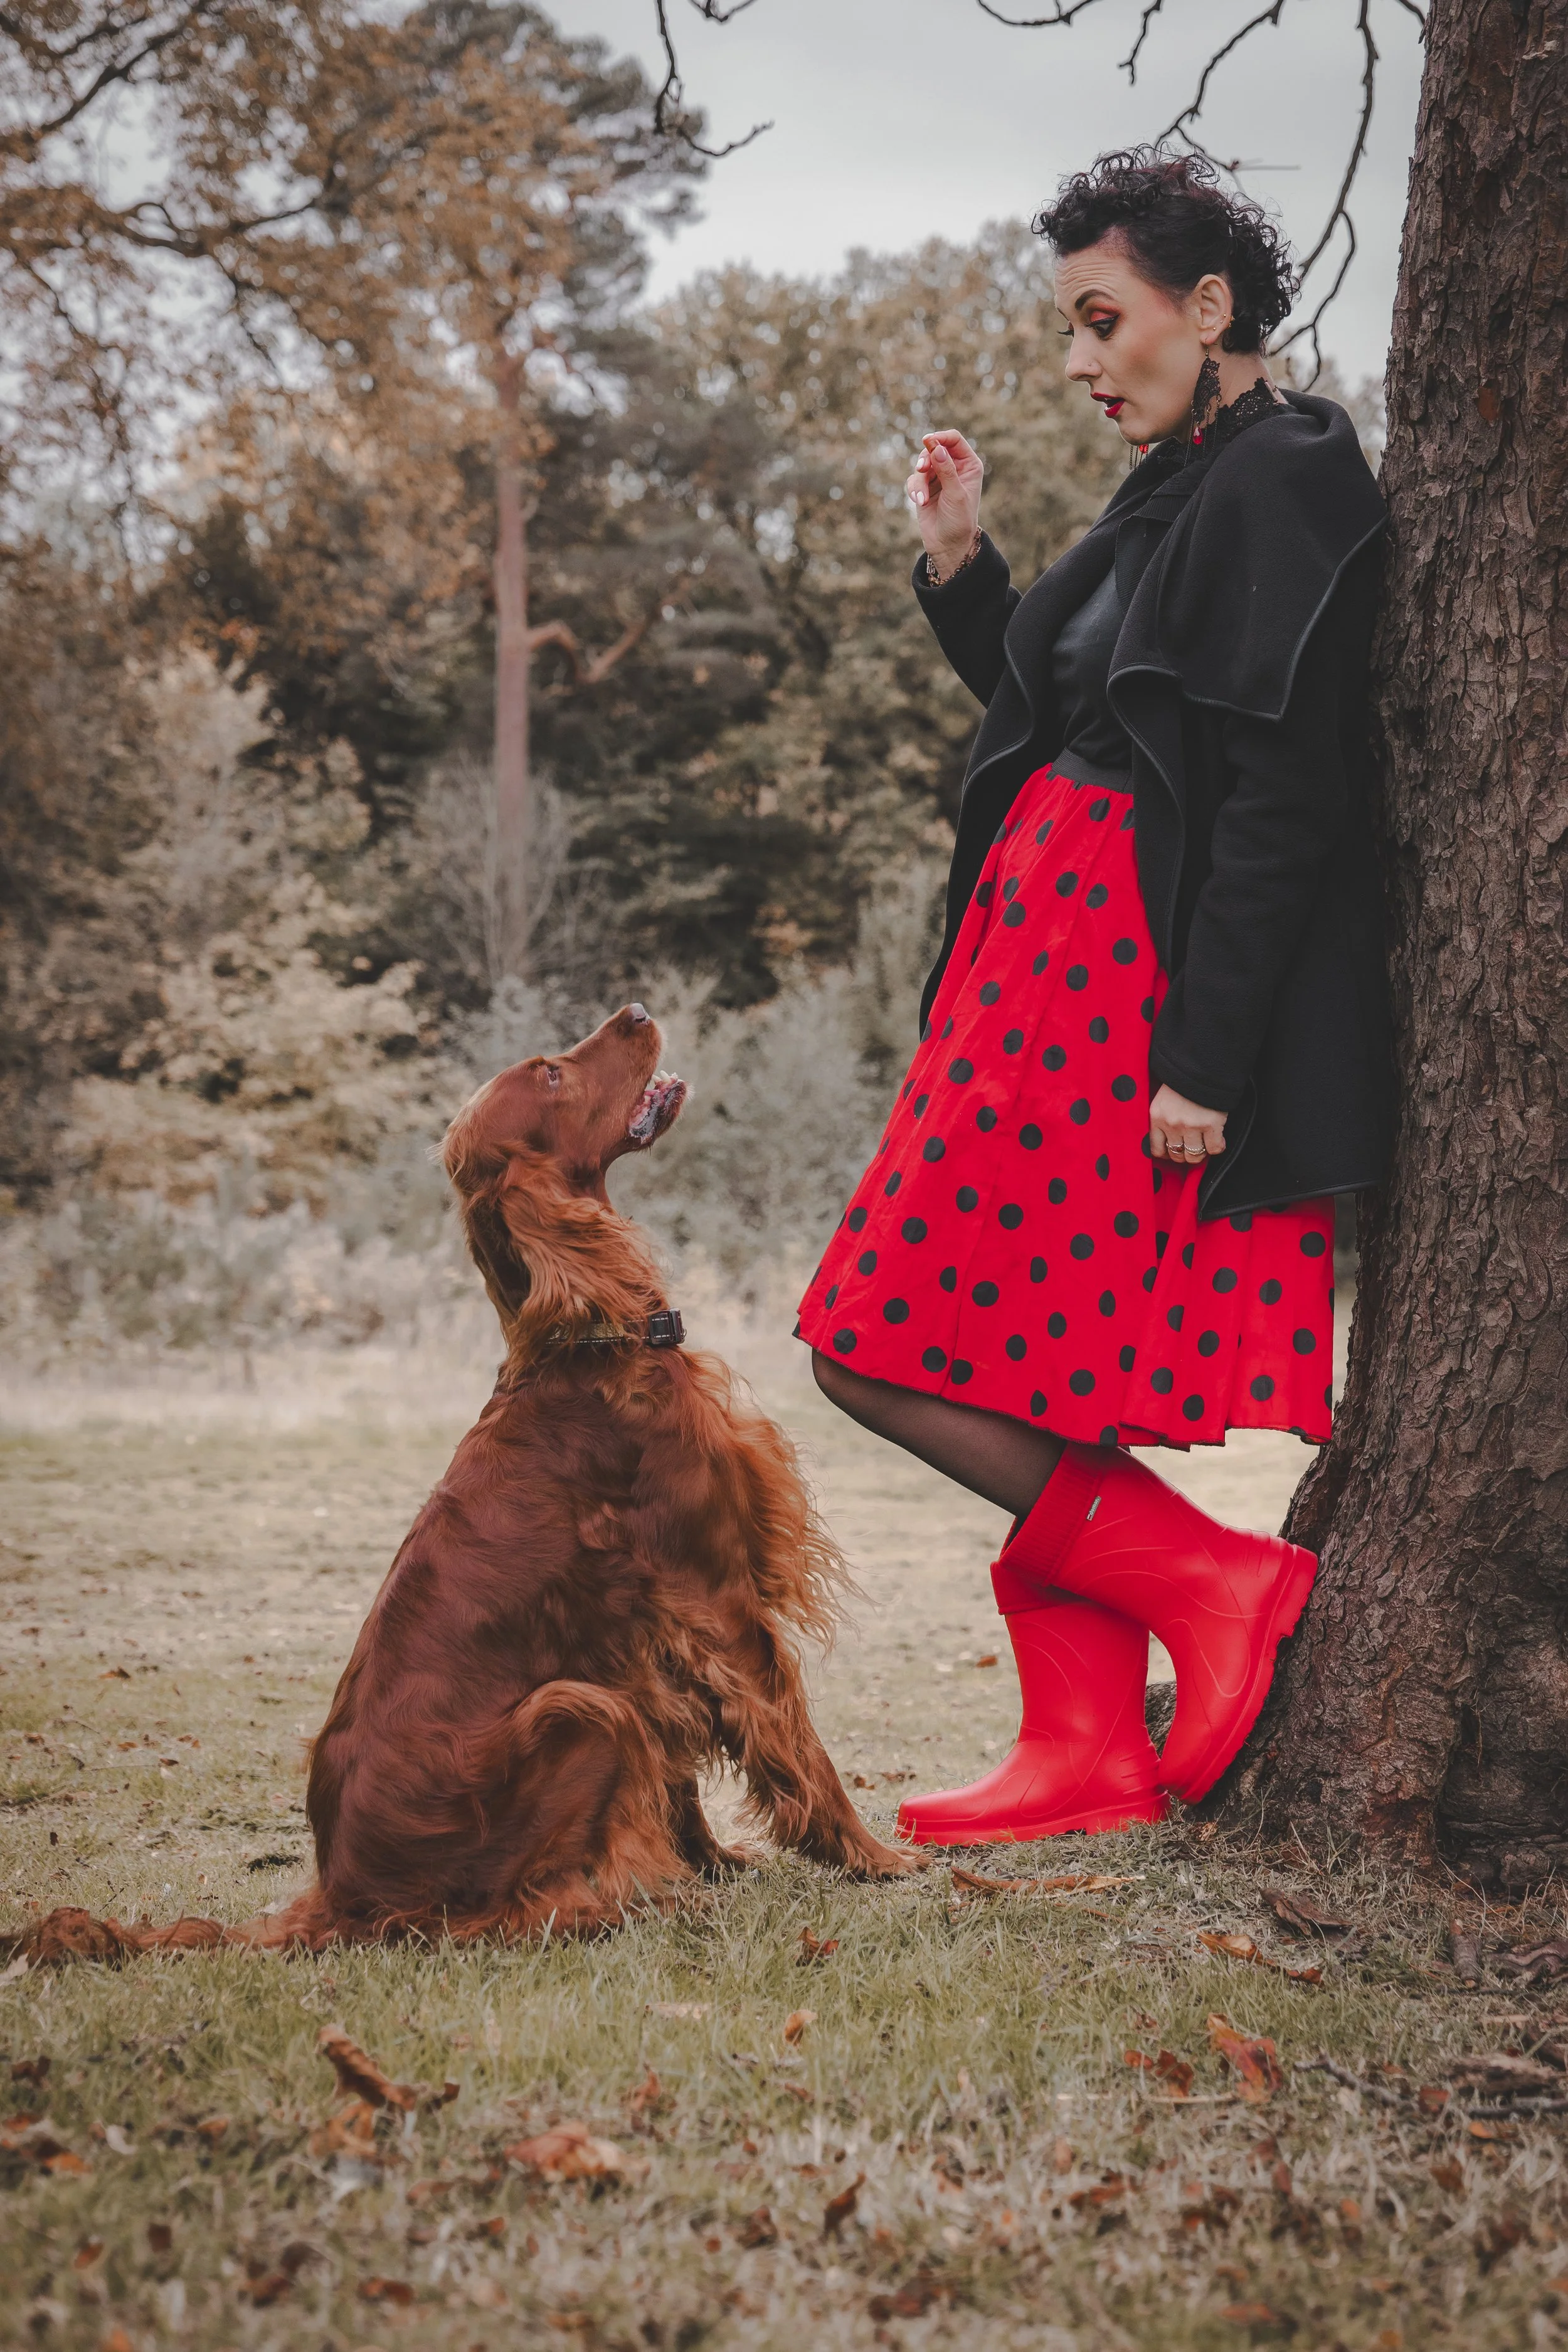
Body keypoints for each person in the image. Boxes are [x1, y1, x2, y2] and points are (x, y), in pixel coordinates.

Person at [796, 147, 1393, 1845]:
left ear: (1206, 309)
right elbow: (1076, 704)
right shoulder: (1180, 483)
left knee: (876, 1339)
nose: (1077, 361)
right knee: (987, 1351)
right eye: (1069, 325)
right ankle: (1081, 1744)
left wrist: (1201, 1054)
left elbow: (1281, 802)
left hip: (1116, 982)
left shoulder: (1285, 479)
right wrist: (965, 563)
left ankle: (1211, 1583)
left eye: (1100, 318)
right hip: (1038, 951)